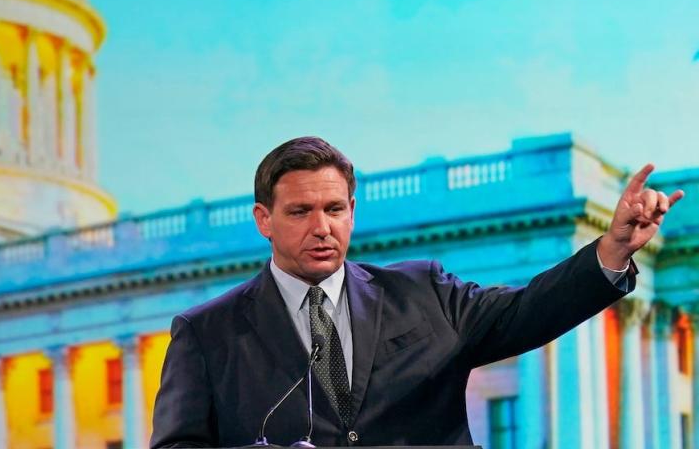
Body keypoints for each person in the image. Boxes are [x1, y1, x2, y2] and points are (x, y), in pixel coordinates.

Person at [149, 136, 684, 448]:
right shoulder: (206, 334)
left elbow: (526, 312)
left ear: (352, 212)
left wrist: (613, 250)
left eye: (334, 210)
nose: (321, 228)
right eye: (299, 212)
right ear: (264, 220)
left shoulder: (421, 292)